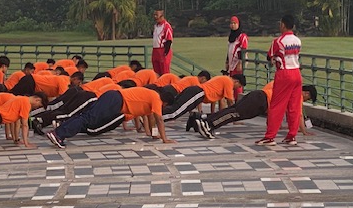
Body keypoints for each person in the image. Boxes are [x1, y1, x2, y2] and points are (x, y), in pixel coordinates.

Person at [46, 87, 176, 149]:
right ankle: (58, 134)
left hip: (114, 98)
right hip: (116, 100)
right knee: (89, 119)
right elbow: (159, 119)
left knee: (87, 118)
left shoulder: (152, 98)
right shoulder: (156, 98)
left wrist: (153, 134)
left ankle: (59, 131)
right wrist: (164, 139)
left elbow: (151, 118)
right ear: (165, 103)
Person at [256, 14, 302, 146]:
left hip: (284, 73)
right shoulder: (298, 41)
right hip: (297, 72)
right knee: (294, 106)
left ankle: (270, 136)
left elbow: (270, 55)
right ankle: (292, 136)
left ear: (283, 25)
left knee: (277, 106)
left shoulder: (278, 41)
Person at [191, 81, 274, 138]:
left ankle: (205, 119)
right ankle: (208, 124)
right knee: (235, 113)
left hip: (258, 94)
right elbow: (277, 110)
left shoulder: (275, 81)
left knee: (232, 110)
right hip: (262, 100)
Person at [161, 73, 245, 122]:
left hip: (197, 92)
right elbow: (230, 102)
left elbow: (221, 102)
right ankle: (157, 118)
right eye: (239, 86)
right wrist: (234, 117)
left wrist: (219, 116)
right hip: (198, 92)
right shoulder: (228, 82)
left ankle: (157, 118)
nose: (236, 88)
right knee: (175, 112)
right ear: (236, 81)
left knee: (175, 108)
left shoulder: (223, 79)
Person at [225, 16, 248, 101]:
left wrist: (240, 62)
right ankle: (232, 100)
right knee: (231, 83)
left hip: (237, 63)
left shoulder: (242, 36)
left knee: (237, 83)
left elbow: (243, 49)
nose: (233, 25)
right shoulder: (231, 37)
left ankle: (238, 101)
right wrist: (227, 61)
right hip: (231, 63)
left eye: (234, 23)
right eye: (231, 23)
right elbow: (229, 50)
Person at [152, 9, 173, 75]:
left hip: (163, 50)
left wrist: (165, 52)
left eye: (157, 15)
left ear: (162, 16)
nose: (155, 17)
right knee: (156, 72)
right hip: (155, 50)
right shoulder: (156, 26)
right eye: (154, 15)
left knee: (164, 71)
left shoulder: (166, 26)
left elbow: (169, 40)